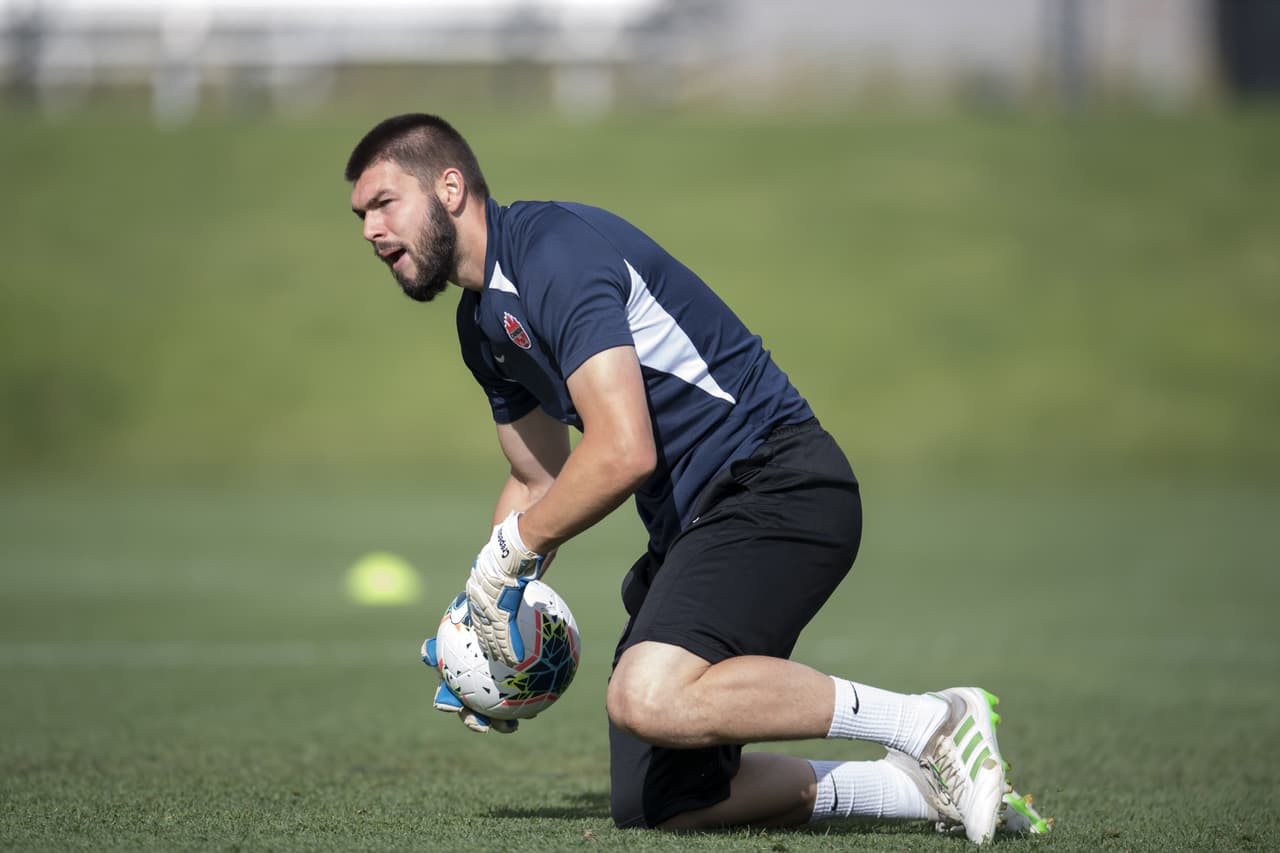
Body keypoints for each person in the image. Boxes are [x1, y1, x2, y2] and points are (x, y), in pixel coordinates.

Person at [344, 113, 1031, 844]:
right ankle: (912, 790)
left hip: (777, 482)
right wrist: (483, 626)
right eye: (359, 215)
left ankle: (930, 722)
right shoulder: (481, 325)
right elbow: (538, 476)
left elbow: (622, 452)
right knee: (662, 797)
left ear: (450, 188)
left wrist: (506, 560)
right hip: (700, 523)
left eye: (384, 203)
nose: (369, 230)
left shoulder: (553, 253)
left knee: (649, 694)